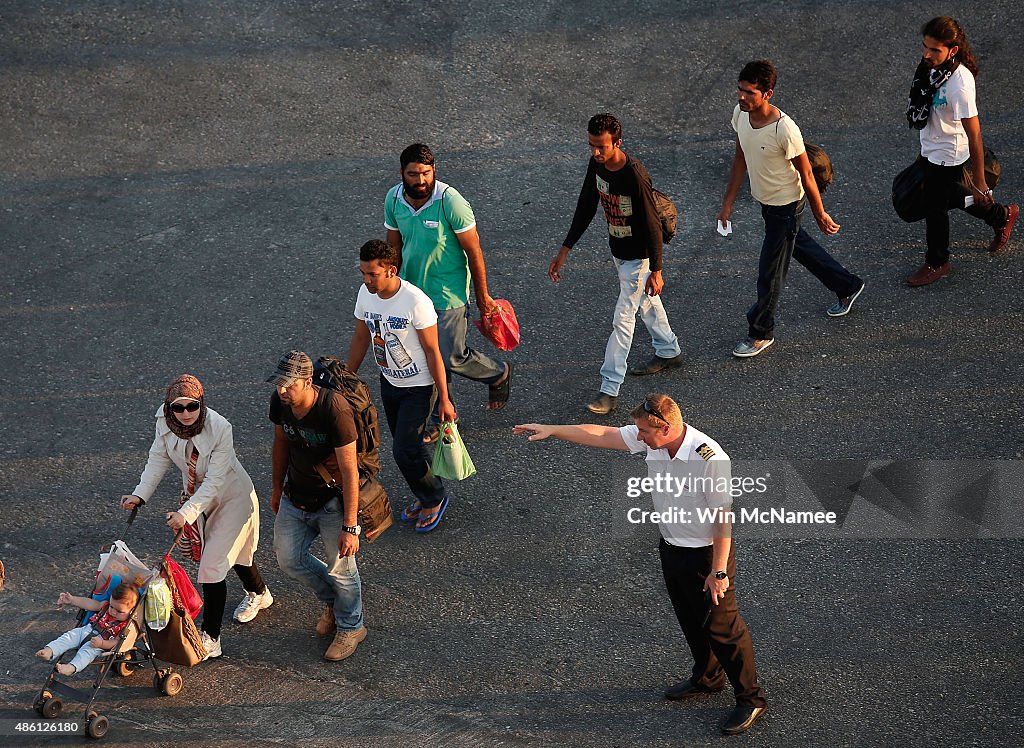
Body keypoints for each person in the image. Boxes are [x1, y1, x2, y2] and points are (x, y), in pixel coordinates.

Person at [513, 394, 767, 736]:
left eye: (644, 431)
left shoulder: (708, 458)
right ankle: (708, 678)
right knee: (691, 619)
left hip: (706, 556)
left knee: (724, 628)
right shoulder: (652, 437)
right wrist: (553, 429)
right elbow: (602, 434)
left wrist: (718, 571)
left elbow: (723, 519)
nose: (638, 436)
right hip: (672, 546)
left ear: (667, 428)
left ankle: (751, 699)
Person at [717, 61, 864, 358]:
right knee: (797, 246)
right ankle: (847, 284)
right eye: (740, 89)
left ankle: (760, 333)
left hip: (786, 206)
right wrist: (728, 203)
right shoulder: (741, 115)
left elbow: (807, 174)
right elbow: (740, 158)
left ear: (767, 93)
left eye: (749, 92)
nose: (742, 97)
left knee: (770, 273)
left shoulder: (784, 129)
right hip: (766, 204)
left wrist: (820, 212)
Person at [122, 375, 271, 660]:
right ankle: (260, 593)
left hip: (232, 497)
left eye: (192, 406)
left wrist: (185, 513)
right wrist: (139, 495)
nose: (186, 414)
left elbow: (215, 481)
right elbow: (158, 459)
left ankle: (211, 638)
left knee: (212, 566)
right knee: (237, 554)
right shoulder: (164, 424)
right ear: (169, 408)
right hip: (197, 498)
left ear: (201, 403)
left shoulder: (220, 427)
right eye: (179, 408)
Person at [550, 113, 682, 414]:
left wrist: (657, 270)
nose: (596, 153)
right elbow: (586, 205)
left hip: (639, 256)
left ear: (618, 143)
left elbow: (651, 224)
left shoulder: (634, 174)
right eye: (591, 146)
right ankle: (669, 350)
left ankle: (609, 389)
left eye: (602, 147)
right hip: (619, 251)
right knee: (645, 304)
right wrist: (565, 249)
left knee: (623, 318)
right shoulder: (597, 165)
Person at [384, 143, 513, 442]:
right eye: (413, 174)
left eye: (426, 173)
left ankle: (497, 372)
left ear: (434, 171)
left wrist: (482, 297)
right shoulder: (393, 198)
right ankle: (443, 419)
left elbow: (474, 250)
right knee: (428, 358)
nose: (420, 181)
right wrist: (387, 286)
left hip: (448, 294)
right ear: (402, 173)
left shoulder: (450, 202)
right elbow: (393, 247)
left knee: (450, 356)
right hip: (412, 294)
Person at [347, 240, 457, 532]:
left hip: (420, 386)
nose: (366, 280)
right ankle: (424, 494)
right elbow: (361, 337)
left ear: (391, 270)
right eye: (363, 273)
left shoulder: (415, 301)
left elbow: (433, 351)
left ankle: (433, 497)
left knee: (403, 450)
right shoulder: (365, 295)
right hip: (389, 381)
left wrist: (444, 398)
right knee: (407, 447)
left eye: (372, 274)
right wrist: (348, 377)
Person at [268, 350, 367, 661]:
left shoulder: (334, 410)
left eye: (289, 385)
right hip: (294, 495)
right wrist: (275, 487)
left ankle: (352, 626)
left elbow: (350, 470)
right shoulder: (280, 402)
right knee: (288, 560)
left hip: (331, 502)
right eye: (279, 384)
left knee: (342, 569)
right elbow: (281, 443)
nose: (282, 390)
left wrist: (350, 526)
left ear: (308, 382)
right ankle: (333, 604)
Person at [905, 16, 1018, 286]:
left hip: (949, 154)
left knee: (935, 206)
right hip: (931, 147)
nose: (926, 54)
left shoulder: (960, 84)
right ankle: (1001, 215)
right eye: (925, 47)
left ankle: (937, 262)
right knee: (947, 198)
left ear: (952, 50)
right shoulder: (931, 68)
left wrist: (980, 181)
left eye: (934, 50)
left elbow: (975, 134)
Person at [36, 584, 139, 676]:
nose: (113, 612)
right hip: (87, 629)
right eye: (112, 606)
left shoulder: (125, 625)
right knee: (68, 636)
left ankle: (71, 667)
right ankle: (50, 650)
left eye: (119, 611)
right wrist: (72, 600)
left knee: (86, 653)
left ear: (132, 611)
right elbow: (89, 603)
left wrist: (102, 644)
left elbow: (115, 642)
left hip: (99, 642)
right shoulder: (105, 606)